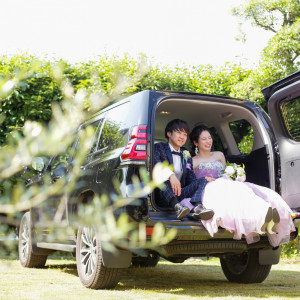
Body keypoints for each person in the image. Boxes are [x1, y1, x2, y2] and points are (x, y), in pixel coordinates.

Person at [182, 125, 295, 247]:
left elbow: (224, 173)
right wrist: (206, 180)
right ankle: (260, 221)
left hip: (225, 182)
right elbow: (192, 182)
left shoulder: (219, 155)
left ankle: (265, 218)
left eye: (209, 138)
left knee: (244, 192)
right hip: (207, 187)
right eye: (204, 139)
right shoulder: (193, 161)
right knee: (224, 197)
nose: (208, 141)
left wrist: (232, 175)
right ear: (195, 142)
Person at [154, 119, 215, 220]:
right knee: (162, 178)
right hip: (163, 195)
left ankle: (198, 207)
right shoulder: (159, 147)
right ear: (169, 133)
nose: (182, 137)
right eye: (179, 133)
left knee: (203, 179)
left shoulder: (185, 153)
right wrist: (170, 175)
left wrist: (205, 181)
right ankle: (177, 207)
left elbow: (191, 178)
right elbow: (156, 164)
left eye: (185, 134)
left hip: (180, 193)